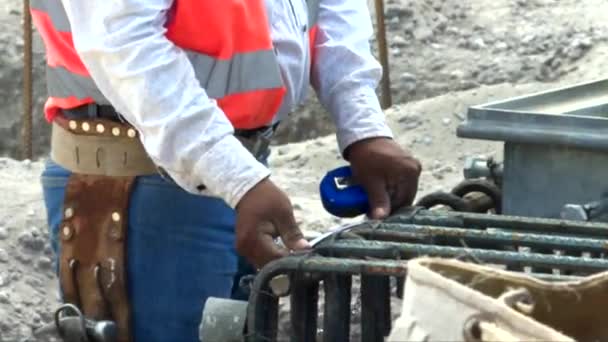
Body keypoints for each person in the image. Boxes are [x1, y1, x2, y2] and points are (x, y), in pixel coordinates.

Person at [31, 0, 422, 341]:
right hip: (143, 181)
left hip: (228, 168)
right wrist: (236, 176)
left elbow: (331, 7)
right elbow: (122, 42)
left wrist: (363, 126)